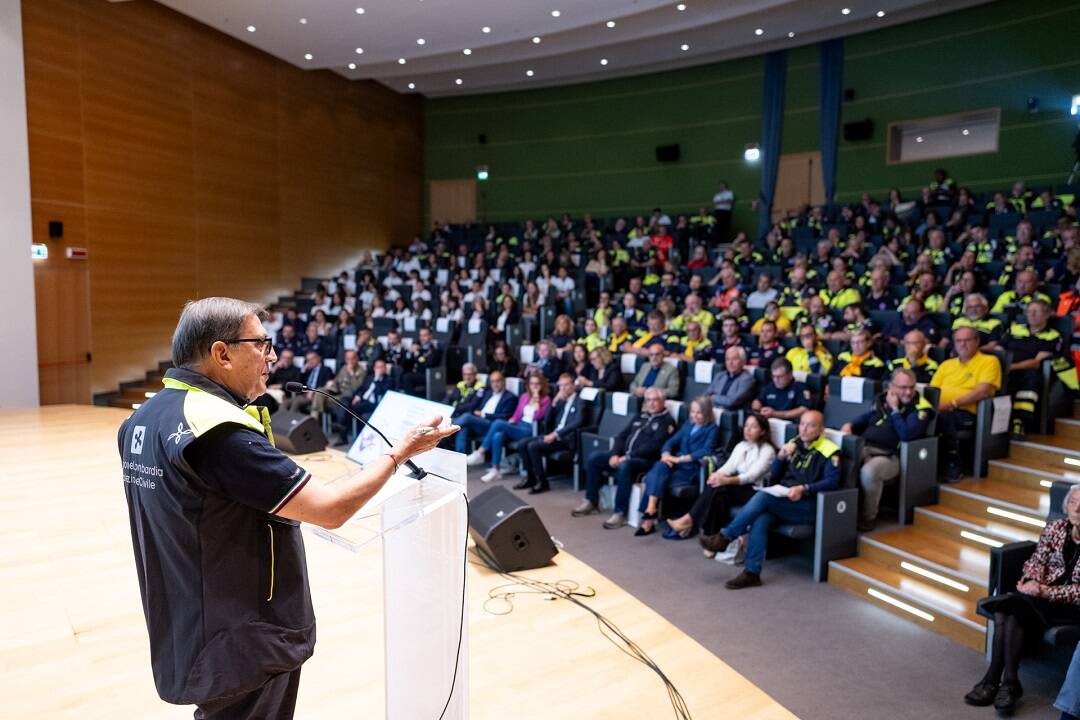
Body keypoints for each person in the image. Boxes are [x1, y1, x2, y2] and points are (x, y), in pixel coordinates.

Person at [119, 297, 456, 719]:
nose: (273, 356)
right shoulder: (218, 432)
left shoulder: (146, 417)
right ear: (221, 353)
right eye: (261, 344)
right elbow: (330, 509)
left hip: (189, 617)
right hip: (242, 633)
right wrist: (399, 453)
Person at [965, 485, 1080, 714]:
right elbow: (1037, 561)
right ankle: (1008, 683)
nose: (1078, 508)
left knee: (1009, 607)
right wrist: (1031, 581)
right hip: (1040, 598)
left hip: (1071, 606)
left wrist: (1045, 592)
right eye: (1073, 502)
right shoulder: (1055, 527)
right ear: (1066, 506)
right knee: (1012, 610)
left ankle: (993, 679)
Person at [704, 410, 840, 589]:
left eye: (811, 425)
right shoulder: (793, 444)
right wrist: (781, 457)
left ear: (821, 430)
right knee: (760, 519)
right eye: (802, 424)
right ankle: (752, 573)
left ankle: (725, 536)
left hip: (809, 505)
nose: (804, 429)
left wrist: (805, 488)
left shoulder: (830, 451)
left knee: (762, 497)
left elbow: (833, 481)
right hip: (785, 499)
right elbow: (775, 475)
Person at [841, 368, 935, 531]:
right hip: (864, 447)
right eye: (903, 387)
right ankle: (841, 514)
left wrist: (895, 410)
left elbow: (906, 435)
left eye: (911, 387)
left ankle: (868, 517)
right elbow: (868, 416)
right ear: (891, 386)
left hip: (890, 457)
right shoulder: (883, 398)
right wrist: (850, 424)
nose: (908, 392)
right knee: (840, 460)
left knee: (869, 472)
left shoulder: (921, 408)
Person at [665, 413, 777, 547]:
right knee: (717, 490)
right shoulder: (741, 445)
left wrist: (726, 481)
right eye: (746, 425)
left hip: (756, 491)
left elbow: (751, 476)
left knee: (719, 487)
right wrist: (716, 474)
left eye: (753, 427)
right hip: (739, 486)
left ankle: (690, 521)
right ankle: (711, 540)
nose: (747, 429)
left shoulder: (768, 450)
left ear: (762, 431)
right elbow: (729, 467)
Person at [575, 388, 676, 529]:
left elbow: (654, 446)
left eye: (655, 400)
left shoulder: (667, 421)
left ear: (663, 402)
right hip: (623, 456)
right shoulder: (640, 416)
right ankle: (591, 501)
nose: (651, 404)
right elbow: (621, 436)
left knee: (625, 466)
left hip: (645, 461)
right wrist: (615, 454)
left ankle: (620, 512)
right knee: (594, 458)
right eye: (648, 400)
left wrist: (626, 457)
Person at [635, 397, 719, 537]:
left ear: (707, 413)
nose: (695, 416)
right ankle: (651, 509)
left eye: (699, 413)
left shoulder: (712, 429)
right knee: (660, 466)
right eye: (692, 412)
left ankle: (649, 517)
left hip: (691, 468)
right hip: (675, 465)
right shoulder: (688, 425)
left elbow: (706, 451)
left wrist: (679, 459)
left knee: (653, 477)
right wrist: (666, 454)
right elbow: (670, 442)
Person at [930, 326, 1002, 481]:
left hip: (966, 413)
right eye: (958, 341)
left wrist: (952, 404)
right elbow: (932, 391)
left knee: (943, 420)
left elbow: (982, 392)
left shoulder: (989, 361)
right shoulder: (946, 365)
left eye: (967, 340)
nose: (962, 344)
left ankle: (952, 464)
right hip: (940, 409)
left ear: (977, 342)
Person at [1002, 299, 1075, 440]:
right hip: (1005, 369)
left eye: (1037, 311)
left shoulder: (1053, 336)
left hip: (1025, 372)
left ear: (1047, 314)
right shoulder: (1014, 328)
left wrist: (1010, 367)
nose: (1032, 314)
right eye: (1029, 311)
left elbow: (1035, 363)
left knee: (1032, 377)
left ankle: (1020, 422)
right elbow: (1000, 348)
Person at [466, 373, 551, 483]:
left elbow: (538, 417)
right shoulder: (525, 397)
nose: (534, 386)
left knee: (498, 422)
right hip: (518, 425)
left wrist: (537, 400)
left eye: (537, 384)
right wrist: (510, 423)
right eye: (532, 383)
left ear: (542, 385)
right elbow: (516, 416)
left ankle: (480, 452)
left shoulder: (546, 399)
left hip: (530, 430)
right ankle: (495, 469)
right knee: (498, 435)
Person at [516, 373, 587, 494]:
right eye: (561, 386)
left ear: (573, 386)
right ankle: (530, 477)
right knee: (522, 443)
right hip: (553, 435)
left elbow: (577, 422)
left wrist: (556, 435)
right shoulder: (560, 401)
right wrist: (554, 402)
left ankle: (542, 482)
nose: (563, 389)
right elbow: (547, 419)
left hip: (566, 439)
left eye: (566, 385)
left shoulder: (580, 402)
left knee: (533, 446)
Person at [452, 370, 516, 453]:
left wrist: (484, 414)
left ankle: (448, 426)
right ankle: (460, 456)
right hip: (479, 421)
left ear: (503, 381)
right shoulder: (488, 393)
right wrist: (477, 413)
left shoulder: (510, 397)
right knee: (464, 426)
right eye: (492, 381)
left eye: (498, 381)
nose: (495, 384)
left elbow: (504, 417)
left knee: (467, 417)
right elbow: (477, 407)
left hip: (492, 424)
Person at [312, 349, 366, 427]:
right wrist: (330, 386)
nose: (350, 361)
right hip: (337, 394)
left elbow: (356, 388)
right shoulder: (344, 368)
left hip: (348, 398)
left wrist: (352, 373)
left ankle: (322, 423)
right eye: (348, 359)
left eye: (352, 358)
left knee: (326, 401)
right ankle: (314, 419)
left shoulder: (361, 371)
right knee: (320, 391)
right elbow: (336, 381)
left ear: (357, 359)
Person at [706, 346, 756, 410]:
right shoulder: (720, 376)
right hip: (711, 410)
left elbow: (732, 401)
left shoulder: (747, 379)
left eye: (734, 359)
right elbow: (706, 395)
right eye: (728, 359)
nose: (730, 363)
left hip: (730, 415)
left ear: (743, 361)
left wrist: (714, 398)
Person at [400, 327, 443, 397]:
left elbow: (427, 364)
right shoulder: (418, 347)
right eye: (421, 335)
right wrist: (409, 353)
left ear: (430, 336)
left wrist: (417, 354)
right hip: (414, 373)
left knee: (407, 377)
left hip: (426, 375)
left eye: (424, 335)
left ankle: (410, 398)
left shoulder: (434, 350)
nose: (422, 338)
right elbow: (405, 362)